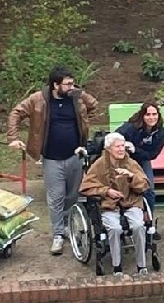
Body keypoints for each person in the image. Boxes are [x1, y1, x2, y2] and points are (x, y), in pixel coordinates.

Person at [7, 66, 99, 255]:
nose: (71, 87)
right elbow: (16, 113)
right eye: (67, 84)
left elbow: (94, 105)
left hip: (75, 155)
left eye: (73, 83)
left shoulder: (76, 97)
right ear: (55, 85)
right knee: (56, 197)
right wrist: (13, 138)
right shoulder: (38, 99)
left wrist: (84, 116)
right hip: (51, 158)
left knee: (72, 196)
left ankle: (66, 225)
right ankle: (58, 233)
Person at [79, 132, 150, 276]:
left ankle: (142, 265)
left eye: (123, 146)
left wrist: (131, 177)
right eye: (117, 146)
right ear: (109, 149)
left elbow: (144, 185)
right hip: (108, 204)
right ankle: (117, 266)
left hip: (131, 201)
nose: (121, 149)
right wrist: (106, 191)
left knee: (138, 226)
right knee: (115, 229)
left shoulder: (131, 163)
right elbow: (85, 187)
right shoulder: (99, 165)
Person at [115, 101, 164, 218]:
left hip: (143, 160)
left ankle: (149, 222)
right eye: (148, 114)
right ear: (142, 116)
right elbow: (114, 137)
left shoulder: (161, 132)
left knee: (149, 189)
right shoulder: (130, 128)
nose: (151, 117)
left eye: (154, 114)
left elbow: (152, 155)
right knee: (123, 187)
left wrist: (135, 149)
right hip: (125, 160)